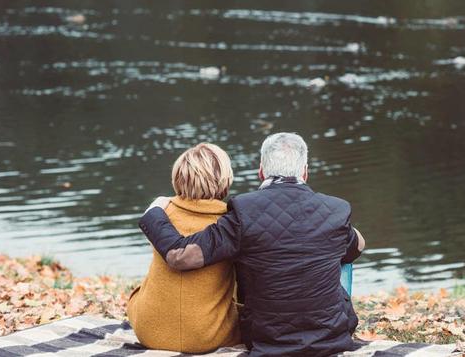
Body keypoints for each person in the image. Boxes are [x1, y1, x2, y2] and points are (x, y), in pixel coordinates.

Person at [139, 132, 366, 357]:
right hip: (333, 336)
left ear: (261, 171)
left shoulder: (243, 212)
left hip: (266, 338)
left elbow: (184, 256)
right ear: (305, 172)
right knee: (343, 257)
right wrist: (335, 224)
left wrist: (154, 212)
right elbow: (357, 248)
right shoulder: (336, 209)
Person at [127, 143, 240, 353]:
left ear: (178, 177)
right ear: (225, 179)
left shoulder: (161, 213)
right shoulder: (231, 224)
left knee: (141, 291)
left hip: (149, 330)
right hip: (209, 337)